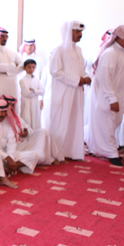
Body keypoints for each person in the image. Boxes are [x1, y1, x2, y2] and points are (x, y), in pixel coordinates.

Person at [85, 25, 124, 166]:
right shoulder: (110, 53)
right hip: (105, 96)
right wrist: (112, 99)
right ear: (117, 37)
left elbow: (123, 79)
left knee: (113, 123)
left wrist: (123, 100)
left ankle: (92, 142)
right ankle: (112, 154)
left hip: (117, 96)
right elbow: (104, 79)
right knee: (107, 125)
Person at [48, 21, 90, 161]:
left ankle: (71, 152)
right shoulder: (59, 50)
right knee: (61, 121)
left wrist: (86, 77)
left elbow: (81, 69)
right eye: (77, 31)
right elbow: (55, 71)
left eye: (81, 32)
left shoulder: (79, 50)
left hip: (76, 92)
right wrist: (77, 80)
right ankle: (56, 154)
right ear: (68, 32)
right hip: (63, 92)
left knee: (75, 121)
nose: (80, 34)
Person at [0, 99, 38, 188]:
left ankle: (7, 169)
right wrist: (8, 158)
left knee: (34, 155)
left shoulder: (8, 123)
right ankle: (2, 173)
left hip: (6, 157)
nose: (0, 114)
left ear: (7, 112)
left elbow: (12, 143)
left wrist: (11, 159)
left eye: (3, 112)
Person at [3, 95, 63, 166]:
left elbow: (29, 129)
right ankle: (49, 159)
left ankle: (57, 157)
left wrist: (26, 132)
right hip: (17, 147)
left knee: (45, 132)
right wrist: (18, 135)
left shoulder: (16, 117)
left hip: (26, 142)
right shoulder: (2, 120)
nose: (10, 107)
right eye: (8, 104)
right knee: (40, 156)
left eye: (12, 105)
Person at [0, 27, 24, 111]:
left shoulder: (13, 52)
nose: (4, 38)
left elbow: (22, 66)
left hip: (11, 86)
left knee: (12, 110)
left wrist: (7, 72)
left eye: (6, 36)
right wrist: (13, 65)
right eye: (2, 36)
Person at [19, 60, 45, 130]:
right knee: (27, 120)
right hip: (26, 104)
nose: (31, 69)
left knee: (35, 122)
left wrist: (33, 90)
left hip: (35, 105)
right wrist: (37, 92)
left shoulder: (36, 80)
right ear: (24, 68)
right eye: (29, 67)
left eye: (33, 67)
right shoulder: (22, 80)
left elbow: (42, 91)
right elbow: (26, 93)